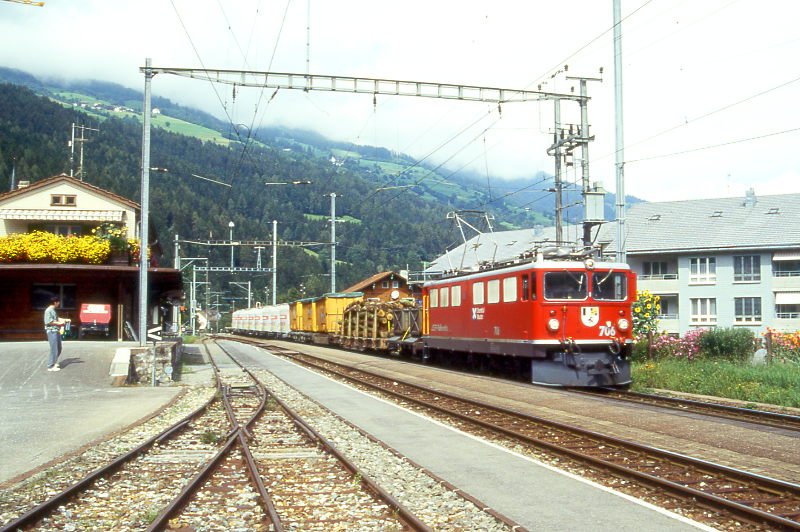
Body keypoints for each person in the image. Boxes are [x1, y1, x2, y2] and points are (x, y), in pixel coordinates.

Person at [44, 296, 68, 371]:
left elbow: (56, 318)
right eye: (58, 302)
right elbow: (49, 322)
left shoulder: (53, 310)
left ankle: (53, 362)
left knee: (59, 348)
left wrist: (65, 320)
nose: (59, 303)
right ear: (55, 302)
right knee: (54, 349)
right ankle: (50, 366)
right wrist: (60, 323)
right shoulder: (48, 310)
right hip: (52, 331)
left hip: (56, 331)